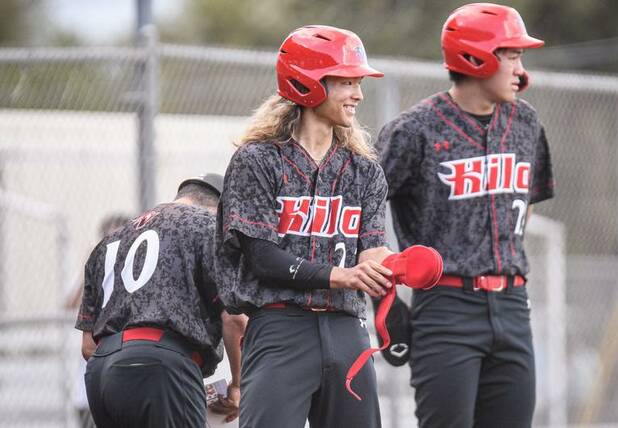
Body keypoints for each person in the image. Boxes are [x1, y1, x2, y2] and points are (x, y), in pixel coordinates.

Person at [376, 3, 555, 427]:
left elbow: (525, 204)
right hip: (446, 307)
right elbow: (361, 208)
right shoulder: (414, 130)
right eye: (512, 56)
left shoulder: (526, 123)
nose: (520, 69)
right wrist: (384, 299)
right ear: (476, 58)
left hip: (512, 304)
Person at [215, 25, 394, 428]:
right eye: (347, 81)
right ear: (308, 83)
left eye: (358, 83)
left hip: (347, 329)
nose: (358, 94)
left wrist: (393, 268)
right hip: (281, 327)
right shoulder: (258, 160)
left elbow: (371, 252)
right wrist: (341, 276)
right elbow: (262, 258)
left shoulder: (365, 171)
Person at [75, 174, 246, 427]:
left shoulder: (108, 241)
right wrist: (238, 385)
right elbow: (234, 318)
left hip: (102, 373)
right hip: (163, 365)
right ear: (221, 208)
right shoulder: (210, 226)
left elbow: (88, 346)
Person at [66, 213, 131, 428]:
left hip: (125, 380)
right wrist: (92, 266)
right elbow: (69, 304)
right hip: (91, 386)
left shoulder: (134, 275)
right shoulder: (94, 272)